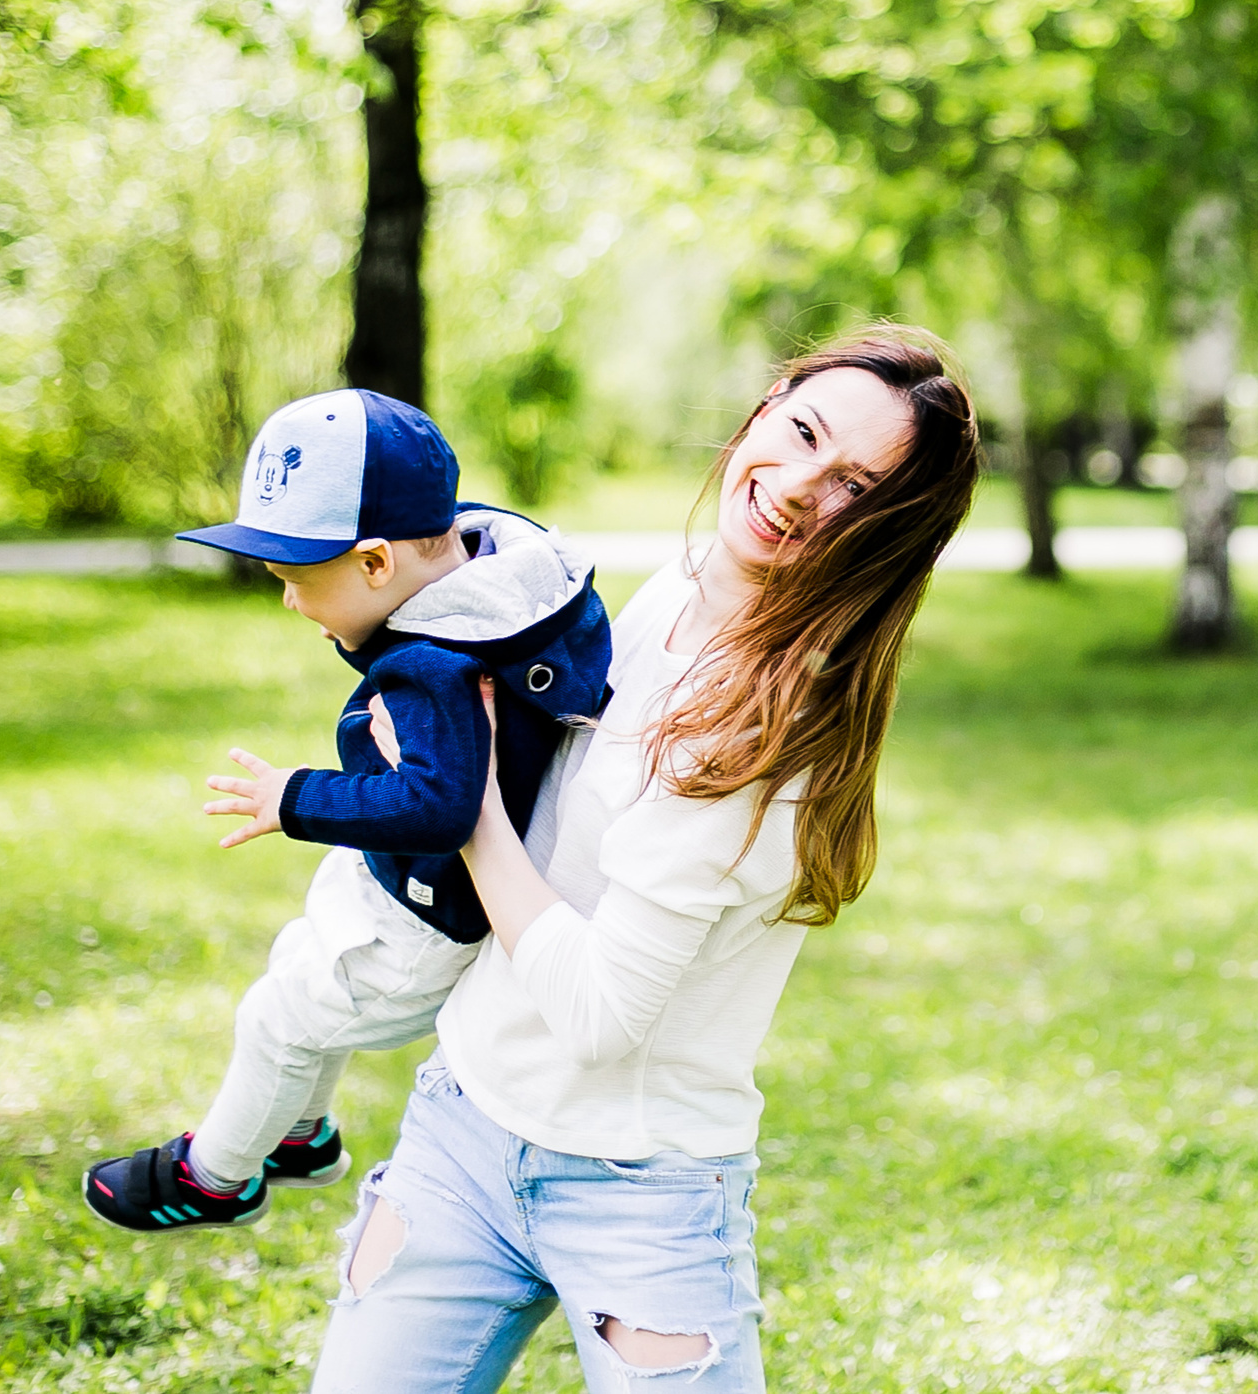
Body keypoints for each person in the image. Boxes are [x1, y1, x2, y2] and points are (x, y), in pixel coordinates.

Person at [310, 329, 978, 1394]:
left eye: (853, 486)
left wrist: (461, 800)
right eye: (804, 433)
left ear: (887, 530)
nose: (796, 488)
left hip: (639, 1190)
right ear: (767, 407)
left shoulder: (762, 731)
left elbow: (600, 1014)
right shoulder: (684, 583)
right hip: (463, 1124)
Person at [83, 389, 612, 1231]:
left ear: (375, 565)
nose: (291, 602)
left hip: (422, 923)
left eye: (297, 581)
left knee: (276, 1020)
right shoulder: (513, 582)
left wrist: (292, 797)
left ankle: (215, 1178)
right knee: (301, 958)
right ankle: (297, 1136)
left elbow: (439, 807)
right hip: (401, 881)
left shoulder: (437, 666)